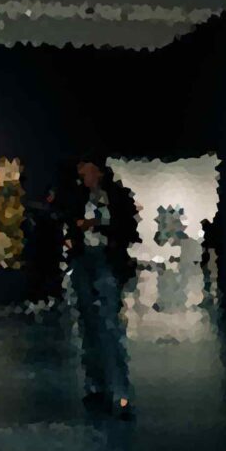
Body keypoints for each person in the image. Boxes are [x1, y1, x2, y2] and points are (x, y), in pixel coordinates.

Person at [68, 154, 140, 418]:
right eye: (81, 171)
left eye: (87, 170)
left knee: (108, 325)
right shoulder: (77, 198)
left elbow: (126, 228)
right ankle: (97, 384)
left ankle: (118, 390)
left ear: (99, 171)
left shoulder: (116, 197)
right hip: (84, 262)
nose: (83, 176)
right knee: (88, 323)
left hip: (106, 262)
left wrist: (97, 225)